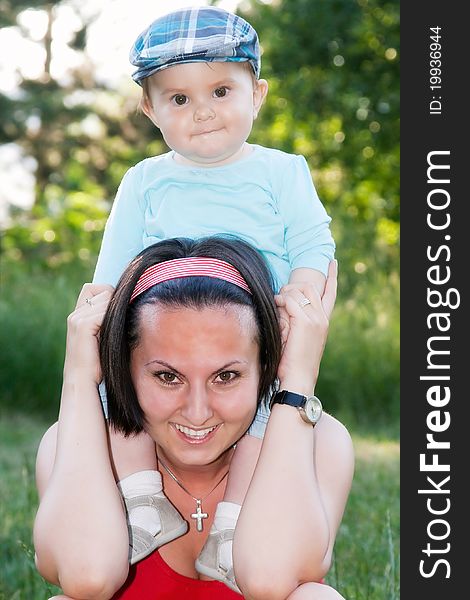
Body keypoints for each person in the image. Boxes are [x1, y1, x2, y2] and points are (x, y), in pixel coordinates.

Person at [90, 5, 337, 586]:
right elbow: (115, 265)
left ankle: (231, 529)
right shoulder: (145, 181)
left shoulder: (281, 172)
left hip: (252, 337)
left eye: (221, 90)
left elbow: (313, 241)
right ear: (150, 108)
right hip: (162, 332)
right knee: (115, 411)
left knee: (264, 425)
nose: (202, 110)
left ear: (258, 93)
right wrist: (101, 319)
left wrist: (300, 290)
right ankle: (141, 499)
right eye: (178, 99)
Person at [34, 236, 353, 599]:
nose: (198, 412)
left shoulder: (319, 442)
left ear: (265, 365)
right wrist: (77, 377)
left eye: (226, 376)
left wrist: (297, 381)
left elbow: (269, 579)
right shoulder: (77, 443)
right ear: (124, 366)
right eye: (168, 377)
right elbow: (85, 575)